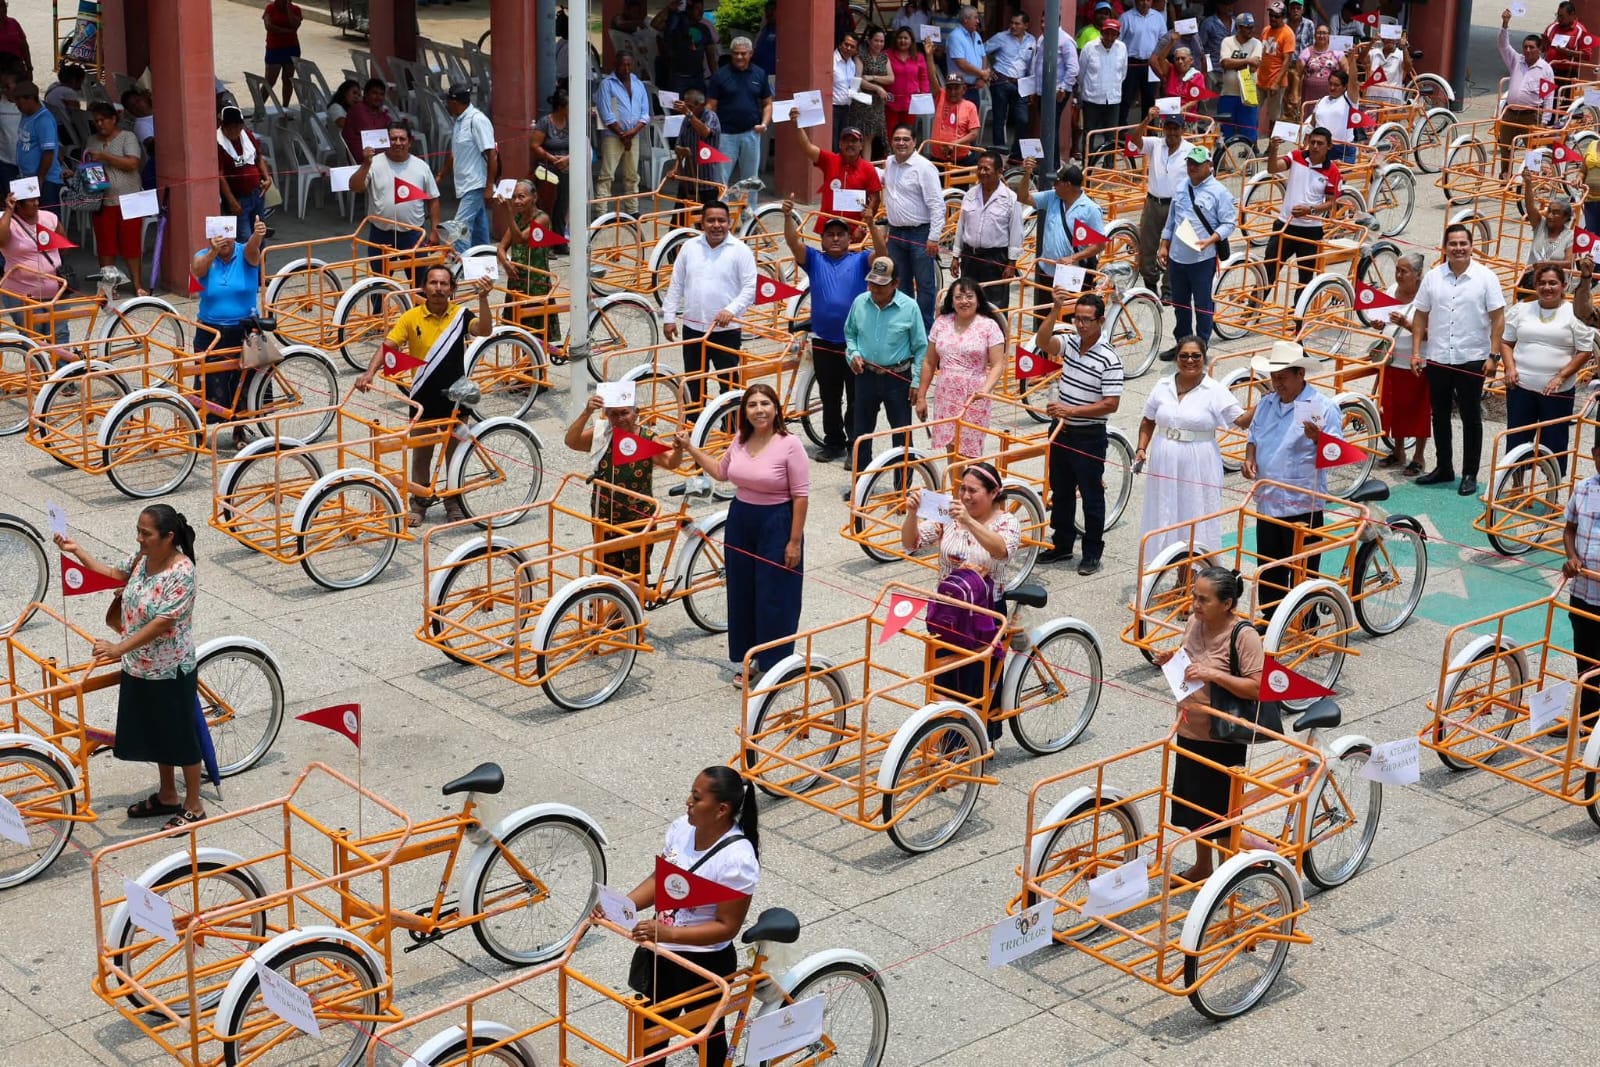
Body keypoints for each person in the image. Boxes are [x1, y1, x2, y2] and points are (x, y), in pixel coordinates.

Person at [54, 506, 206, 832]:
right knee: (158, 734)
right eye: (138, 531)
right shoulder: (142, 559)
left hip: (170, 670)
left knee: (180, 737)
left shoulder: (182, 572)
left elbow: (163, 623)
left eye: (146, 533)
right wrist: (76, 550)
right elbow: (110, 574)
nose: (139, 538)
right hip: (139, 666)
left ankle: (194, 804)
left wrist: (117, 648)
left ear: (168, 537)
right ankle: (168, 794)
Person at [615, 767, 759, 1067]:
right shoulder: (681, 828)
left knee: (706, 1039)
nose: (687, 803)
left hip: (703, 964)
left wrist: (669, 934)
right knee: (650, 1036)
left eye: (696, 798)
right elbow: (661, 881)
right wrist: (623, 904)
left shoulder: (738, 860)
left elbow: (726, 926)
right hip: (662, 955)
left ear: (721, 809)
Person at [677, 385, 808, 686]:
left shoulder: (790, 444)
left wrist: (794, 541)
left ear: (776, 408)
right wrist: (690, 449)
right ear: (744, 411)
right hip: (741, 520)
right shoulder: (740, 439)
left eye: (765, 403)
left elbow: (801, 496)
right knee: (742, 592)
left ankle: (776, 664)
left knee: (775, 596)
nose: (759, 410)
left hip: (777, 522)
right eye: (752, 405)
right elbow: (721, 473)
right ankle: (750, 658)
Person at [356, 266, 495, 525]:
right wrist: (369, 372)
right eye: (433, 283)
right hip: (423, 399)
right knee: (422, 455)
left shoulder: (461, 315)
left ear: (452, 289)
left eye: (444, 284)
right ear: (424, 287)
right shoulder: (410, 317)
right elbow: (389, 346)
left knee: (456, 453)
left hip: (456, 399)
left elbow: (484, 330)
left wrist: (484, 298)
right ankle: (418, 506)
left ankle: (454, 502)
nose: (438, 288)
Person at [1151, 566, 1264, 883]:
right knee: (1194, 808)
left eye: (1204, 599)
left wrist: (1214, 675)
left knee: (1223, 816)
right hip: (1190, 728)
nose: (1195, 605)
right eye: (1194, 597)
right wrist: (1169, 659)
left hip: (1222, 737)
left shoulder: (1244, 636)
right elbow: (1189, 661)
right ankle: (1203, 866)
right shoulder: (1194, 623)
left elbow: (1256, 687)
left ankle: (1225, 877)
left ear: (1227, 603)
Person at [900, 462, 1021, 717]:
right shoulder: (949, 516)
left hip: (985, 612)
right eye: (962, 489)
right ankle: (946, 735)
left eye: (973, 491)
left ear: (993, 492)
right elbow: (911, 542)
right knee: (942, 676)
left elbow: (1001, 550)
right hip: (948, 611)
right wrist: (911, 514)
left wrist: (968, 520)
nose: (965, 496)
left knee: (976, 679)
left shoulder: (1006, 522)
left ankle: (978, 741)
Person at [1242, 340, 1344, 617]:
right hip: (1268, 502)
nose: (1277, 384)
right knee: (1269, 565)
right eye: (1274, 378)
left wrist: (1319, 439)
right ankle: (1271, 618)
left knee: (1303, 569)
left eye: (1283, 378)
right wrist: (1249, 458)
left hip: (1302, 504)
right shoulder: (1265, 404)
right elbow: (1253, 438)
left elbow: (1337, 454)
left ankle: (1305, 620)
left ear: (1301, 374)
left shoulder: (1323, 407)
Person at [1411, 223, 1508, 497]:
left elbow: (1498, 318)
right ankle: (1444, 468)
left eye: (1463, 243)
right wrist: (1417, 351)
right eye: (1453, 244)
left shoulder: (1486, 277)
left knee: (1471, 417)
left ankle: (1469, 473)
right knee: (1439, 415)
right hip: (1439, 357)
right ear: (1445, 247)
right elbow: (1420, 315)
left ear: (1471, 245)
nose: (1458, 248)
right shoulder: (1432, 277)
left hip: (1472, 358)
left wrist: (1493, 355)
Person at [1034, 290, 1124, 575]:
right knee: (1060, 490)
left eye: (1087, 320)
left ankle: (1092, 552)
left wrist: (1070, 411)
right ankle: (1061, 545)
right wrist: (1056, 309)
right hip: (1061, 430)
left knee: (1091, 494)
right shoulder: (1071, 343)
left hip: (1088, 435)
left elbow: (1111, 404)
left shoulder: (1110, 358)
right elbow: (1042, 341)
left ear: (1101, 321)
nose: (1081, 325)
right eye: (1077, 319)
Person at [783, 202, 879, 462]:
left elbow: (883, 256)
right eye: (830, 235)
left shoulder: (860, 259)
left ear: (849, 238)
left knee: (857, 398)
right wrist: (786, 216)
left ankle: (854, 448)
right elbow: (793, 243)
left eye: (840, 234)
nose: (835, 238)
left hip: (855, 343)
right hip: (824, 341)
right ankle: (833, 443)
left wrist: (871, 224)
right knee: (830, 397)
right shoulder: (815, 259)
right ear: (822, 239)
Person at [1136, 336, 1248, 555]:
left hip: (1199, 463)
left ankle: (1193, 571)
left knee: (1195, 513)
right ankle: (1163, 566)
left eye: (1196, 356)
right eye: (1184, 355)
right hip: (1164, 460)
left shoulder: (1214, 390)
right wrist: (1141, 448)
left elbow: (1241, 421)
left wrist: (1269, 400)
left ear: (1204, 358)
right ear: (1176, 358)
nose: (1190, 360)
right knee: (1164, 510)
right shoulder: (1163, 385)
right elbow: (1148, 420)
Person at [564, 391, 683, 576]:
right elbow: (572, 441)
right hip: (604, 516)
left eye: (624, 413)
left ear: (636, 413)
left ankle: (634, 605)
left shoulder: (647, 437)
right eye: (613, 414)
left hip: (638, 519)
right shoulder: (602, 435)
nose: (620, 419)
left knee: (636, 577)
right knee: (608, 573)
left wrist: (678, 449)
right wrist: (586, 412)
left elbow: (670, 462)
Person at [662, 200, 758, 409]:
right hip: (693, 328)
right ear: (702, 223)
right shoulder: (689, 247)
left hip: (727, 330)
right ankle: (694, 428)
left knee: (729, 385)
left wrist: (730, 311)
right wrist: (669, 318)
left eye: (721, 220)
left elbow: (750, 288)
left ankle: (731, 429)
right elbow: (676, 283)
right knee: (694, 385)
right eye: (711, 220)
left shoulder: (740, 250)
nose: (716, 225)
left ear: (729, 222)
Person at [1499, 262, 1594, 473]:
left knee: (1555, 443)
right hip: (1521, 388)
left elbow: (1584, 351)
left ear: (1563, 286)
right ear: (1535, 285)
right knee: (1516, 440)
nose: (1547, 288)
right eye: (1542, 283)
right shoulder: (1521, 309)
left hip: (1557, 392)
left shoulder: (1575, 313)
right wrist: (1509, 368)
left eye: (1553, 283)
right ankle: (1515, 487)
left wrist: (1561, 376)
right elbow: (1506, 342)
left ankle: (1552, 494)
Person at [845, 256, 928, 478]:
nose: (875, 289)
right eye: (872, 283)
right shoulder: (860, 302)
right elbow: (850, 334)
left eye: (882, 284)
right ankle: (860, 486)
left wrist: (917, 382)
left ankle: (901, 491)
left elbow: (921, 347)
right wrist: (853, 354)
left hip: (898, 378)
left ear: (895, 283)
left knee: (902, 436)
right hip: (865, 376)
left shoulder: (910, 308)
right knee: (861, 434)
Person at [191, 218, 267, 450]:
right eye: (217, 235)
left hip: (243, 328)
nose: (223, 240)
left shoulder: (246, 252)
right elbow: (197, 270)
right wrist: (213, 251)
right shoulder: (202, 255)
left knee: (242, 382)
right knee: (206, 381)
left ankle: (240, 430)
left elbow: (253, 249)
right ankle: (201, 429)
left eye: (227, 234)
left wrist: (257, 234)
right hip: (210, 329)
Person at [350, 121, 442, 303]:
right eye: (393, 138)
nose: (398, 142)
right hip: (381, 234)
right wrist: (365, 164)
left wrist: (435, 230)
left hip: (414, 234)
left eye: (402, 138)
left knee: (420, 282)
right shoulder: (373, 163)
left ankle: (422, 319)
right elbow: (355, 187)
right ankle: (377, 320)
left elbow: (433, 199)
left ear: (410, 142)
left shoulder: (421, 166)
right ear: (386, 140)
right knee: (379, 282)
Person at [918, 278, 1007, 457]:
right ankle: (955, 486)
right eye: (958, 297)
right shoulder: (942, 323)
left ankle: (970, 485)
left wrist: (985, 390)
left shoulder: (989, 326)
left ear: (978, 299)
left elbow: (998, 364)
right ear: (951, 300)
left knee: (970, 450)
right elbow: (929, 361)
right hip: (946, 394)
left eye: (969, 297)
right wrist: (921, 396)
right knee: (950, 448)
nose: (964, 301)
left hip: (973, 396)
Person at [1159, 145, 1237, 347]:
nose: (1192, 167)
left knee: (1202, 305)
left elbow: (1229, 223)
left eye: (1197, 164)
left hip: (1202, 259)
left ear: (1209, 166)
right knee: (1180, 305)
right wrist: (1164, 244)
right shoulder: (1181, 186)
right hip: (1177, 257)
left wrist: (1211, 240)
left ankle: (1201, 345)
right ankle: (1183, 344)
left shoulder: (1220, 192)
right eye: (1190, 163)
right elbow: (1172, 218)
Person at [1018, 160, 1104, 323]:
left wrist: (1073, 258)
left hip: (1072, 275)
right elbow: (1023, 197)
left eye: (1057, 182)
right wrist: (1027, 174)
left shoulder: (1090, 209)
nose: (1054, 185)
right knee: (1044, 319)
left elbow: (1099, 245)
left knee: (1069, 322)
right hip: (1047, 272)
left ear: (1067, 185)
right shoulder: (1052, 197)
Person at [77, 102, 147, 296]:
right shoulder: (92, 140)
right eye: (96, 121)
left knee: (131, 245)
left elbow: (133, 163)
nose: (99, 124)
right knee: (105, 245)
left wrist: (105, 157)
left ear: (113, 119)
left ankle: (137, 283)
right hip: (102, 201)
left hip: (129, 200)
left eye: (103, 120)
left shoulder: (127, 137)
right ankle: (108, 286)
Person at [1262, 127, 1341, 296]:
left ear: (1329, 146)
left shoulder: (1332, 171)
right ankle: (1251, 312)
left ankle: (1299, 319)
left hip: (1310, 231)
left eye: (1320, 143)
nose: (1315, 146)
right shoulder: (1296, 156)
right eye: (1312, 142)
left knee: (1305, 279)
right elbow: (1273, 168)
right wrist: (1274, 149)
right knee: (1267, 271)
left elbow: (1331, 203)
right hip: (1284, 225)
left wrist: (1310, 210)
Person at [880, 122, 945, 329]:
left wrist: (933, 237)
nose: (901, 143)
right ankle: (905, 326)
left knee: (925, 285)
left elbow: (937, 205)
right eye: (897, 139)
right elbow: (876, 177)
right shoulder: (889, 163)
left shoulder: (925, 168)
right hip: (896, 233)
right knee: (900, 282)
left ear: (915, 142)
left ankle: (926, 329)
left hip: (921, 234)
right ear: (891, 142)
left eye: (906, 139)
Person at [1376, 252, 1431, 474]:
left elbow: (1430, 334)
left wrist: (1407, 324)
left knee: (1419, 411)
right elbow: (1381, 319)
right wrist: (1378, 323)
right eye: (1397, 269)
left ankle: (1419, 457)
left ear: (1417, 275)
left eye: (1404, 271)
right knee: (1394, 409)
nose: (1398, 275)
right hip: (1392, 360)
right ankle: (1398, 451)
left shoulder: (1426, 298)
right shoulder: (1391, 290)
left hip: (1416, 363)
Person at [1137, 109, 1193, 323]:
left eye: (1175, 128)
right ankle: (1150, 285)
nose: (1171, 132)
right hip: (1153, 202)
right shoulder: (1155, 144)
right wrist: (1147, 118)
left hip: (1177, 205)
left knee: (1174, 248)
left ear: (1182, 129)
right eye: (1168, 127)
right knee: (1147, 246)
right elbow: (1134, 140)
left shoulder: (1190, 150)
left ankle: (1169, 288)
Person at [951, 150, 1023, 310]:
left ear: (999, 172)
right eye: (980, 168)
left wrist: (1011, 263)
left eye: (987, 169)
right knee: (968, 301)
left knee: (995, 306)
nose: (982, 172)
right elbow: (961, 227)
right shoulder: (970, 194)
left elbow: (1016, 232)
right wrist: (956, 256)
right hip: (970, 256)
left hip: (995, 259)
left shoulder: (1010, 198)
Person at [0, 190, 71, 351]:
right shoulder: (6, 221)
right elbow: (1, 240)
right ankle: (38, 375)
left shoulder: (49, 217)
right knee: (33, 338)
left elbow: (63, 245)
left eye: (37, 199)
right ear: (18, 204)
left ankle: (61, 375)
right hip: (21, 294)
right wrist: (8, 211)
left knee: (60, 334)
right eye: (31, 201)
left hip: (57, 292)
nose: (36, 203)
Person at [706, 36, 773, 203]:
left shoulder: (759, 73)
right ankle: (722, 220)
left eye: (743, 54)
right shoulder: (720, 76)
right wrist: (708, 131)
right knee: (721, 181)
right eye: (735, 53)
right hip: (725, 136)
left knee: (751, 180)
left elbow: (767, 104)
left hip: (751, 133)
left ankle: (749, 218)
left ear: (751, 54)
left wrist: (764, 124)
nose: (739, 57)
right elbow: (710, 107)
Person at [1563, 430, 1600, 730]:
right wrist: (1571, 557)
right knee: (1584, 663)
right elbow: (1569, 529)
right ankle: (1587, 722)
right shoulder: (1584, 489)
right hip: (1582, 594)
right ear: (1593, 453)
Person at [497, 178, 563, 345]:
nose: (517, 201)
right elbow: (501, 248)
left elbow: (519, 239)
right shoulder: (518, 218)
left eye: (521, 197)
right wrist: (506, 263)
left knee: (536, 337)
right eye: (514, 197)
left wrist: (508, 213)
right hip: (517, 283)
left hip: (536, 285)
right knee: (518, 335)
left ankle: (536, 369)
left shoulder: (542, 218)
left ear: (534, 198)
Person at [791, 121, 881, 236]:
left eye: (854, 141)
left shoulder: (868, 168)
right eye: (846, 141)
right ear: (840, 144)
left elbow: (875, 199)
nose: (850, 144)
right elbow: (806, 147)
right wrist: (797, 124)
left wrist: (862, 225)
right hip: (829, 228)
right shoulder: (829, 160)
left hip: (855, 231)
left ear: (861, 145)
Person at [1498, 10, 1557, 179]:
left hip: (1531, 115)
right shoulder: (1517, 60)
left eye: (1532, 47)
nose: (1528, 50)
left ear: (1539, 50)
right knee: (1505, 147)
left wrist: (1545, 121)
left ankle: (1534, 180)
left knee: (1532, 151)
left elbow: (1548, 97)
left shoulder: (1545, 69)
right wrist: (1505, 24)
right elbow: (1503, 45)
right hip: (1510, 113)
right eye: (1525, 47)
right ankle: (1505, 177)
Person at [440, 85, 498, 252]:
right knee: (479, 231)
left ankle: (461, 268)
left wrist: (489, 186)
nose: (447, 105)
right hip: (463, 183)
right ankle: (485, 264)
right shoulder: (459, 121)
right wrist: (442, 174)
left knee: (459, 229)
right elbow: (454, 153)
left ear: (454, 102)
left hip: (475, 183)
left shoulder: (477, 120)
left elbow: (491, 154)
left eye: (448, 102)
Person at [596, 52, 650, 215]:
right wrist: (622, 134)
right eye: (622, 65)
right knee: (607, 175)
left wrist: (632, 133)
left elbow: (645, 113)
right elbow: (606, 114)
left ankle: (633, 211)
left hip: (633, 136)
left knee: (632, 175)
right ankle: (601, 212)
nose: (626, 68)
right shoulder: (607, 84)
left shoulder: (638, 83)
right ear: (615, 64)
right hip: (613, 136)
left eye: (628, 65)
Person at [985, 12, 1038, 159]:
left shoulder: (1031, 41)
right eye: (1012, 23)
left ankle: (1016, 155)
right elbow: (982, 50)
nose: (1013, 26)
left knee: (1023, 119)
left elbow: (1032, 65)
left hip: (1020, 83)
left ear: (1026, 26)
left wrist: (1031, 86)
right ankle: (998, 155)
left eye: (1017, 24)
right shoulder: (1001, 37)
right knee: (999, 118)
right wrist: (988, 70)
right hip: (1001, 81)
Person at [215, 106, 272, 237]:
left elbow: (258, 158)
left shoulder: (247, 136)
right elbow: (220, 176)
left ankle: (261, 258)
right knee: (245, 237)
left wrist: (267, 179)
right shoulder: (218, 144)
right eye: (231, 128)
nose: (235, 131)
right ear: (223, 126)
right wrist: (232, 202)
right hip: (238, 198)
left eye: (238, 127)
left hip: (257, 193)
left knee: (259, 234)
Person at [1078, 17, 1127, 167]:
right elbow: (1081, 72)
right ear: (1101, 32)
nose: (1110, 38)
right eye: (1107, 34)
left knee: (1111, 136)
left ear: (1118, 35)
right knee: (1089, 134)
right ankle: (1087, 165)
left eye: (1114, 34)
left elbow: (1123, 74)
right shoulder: (1089, 47)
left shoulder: (1122, 48)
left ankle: (1109, 165)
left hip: (1113, 99)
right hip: (1092, 98)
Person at [924, 42, 983, 164]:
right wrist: (929, 56)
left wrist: (954, 143)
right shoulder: (941, 96)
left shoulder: (969, 106)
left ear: (964, 89)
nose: (952, 91)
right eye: (949, 88)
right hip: (937, 158)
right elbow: (932, 77)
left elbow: (974, 134)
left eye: (956, 88)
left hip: (961, 159)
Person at [12, 82, 63, 211]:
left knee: (47, 221)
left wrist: (40, 179)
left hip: (45, 180)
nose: (17, 105)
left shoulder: (43, 120)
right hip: (27, 177)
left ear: (30, 99)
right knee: (27, 218)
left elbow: (48, 153)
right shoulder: (26, 115)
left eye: (19, 101)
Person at [530, 88, 572, 236]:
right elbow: (534, 145)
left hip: (566, 169)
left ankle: (559, 239)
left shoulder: (571, 122)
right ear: (561, 107)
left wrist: (567, 158)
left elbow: (580, 145)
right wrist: (551, 158)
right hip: (547, 170)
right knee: (547, 205)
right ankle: (544, 241)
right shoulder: (545, 122)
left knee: (562, 205)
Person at [1216, 12, 1263, 145]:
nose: (1251, 30)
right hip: (1228, 94)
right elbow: (1225, 63)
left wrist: (1235, 63)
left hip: (1248, 94)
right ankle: (1223, 163)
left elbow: (1254, 67)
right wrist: (1247, 60)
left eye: (1252, 27)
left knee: (1249, 131)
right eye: (1247, 27)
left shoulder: (1256, 43)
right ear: (1238, 27)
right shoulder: (1227, 41)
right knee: (1225, 132)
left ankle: (1250, 162)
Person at [1520, 176, 1575, 288]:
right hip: (1532, 281)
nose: (1550, 216)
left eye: (1555, 213)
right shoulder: (1540, 225)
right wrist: (1528, 182)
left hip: (1555, 284)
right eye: (1549, 211)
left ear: (1565, 217)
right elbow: (1530, 207)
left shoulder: (1570, 236)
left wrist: (1546, 264)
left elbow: (1569, 263)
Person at [847, 28, 893, 158]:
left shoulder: (884, 58)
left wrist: (873, 77)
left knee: (870, 137)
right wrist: (877, 88)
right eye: (876, 41)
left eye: (882, 41)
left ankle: (866, 168)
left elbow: (891, 78)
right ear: (869, 40)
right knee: (860, 135)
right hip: (862, 101)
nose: (879, 44)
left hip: (877, 103)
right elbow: (859, 79)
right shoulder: (860, 57)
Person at [670, 88, 722, 204]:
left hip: (707, 181)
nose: (687, 109)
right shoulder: (686, 119)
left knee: (705, 219)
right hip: (688, 180)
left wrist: (689, 114)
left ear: (701, 105)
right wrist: (675, 169)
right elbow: (680, 147)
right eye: (686, 106)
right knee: (678, 220)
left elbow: (705, 132)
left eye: (691, 107)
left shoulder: (710, 116)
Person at [1119, 0, 1165, 126]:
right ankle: (1121, 128)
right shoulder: (1126, 17)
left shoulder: (1158, 17)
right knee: (1126, 97)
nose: (1144, 3)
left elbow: (1163, 40)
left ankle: (1148, 128)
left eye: (1148, 0)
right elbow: (1118, 41)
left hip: (1150, 64)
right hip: (1131, 63)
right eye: (1141, 0)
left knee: (1149, 99)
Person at [1291, 24, 1350, 117]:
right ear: (1314, 35)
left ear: (1329, 36)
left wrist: (1345, 89)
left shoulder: (1337, 52)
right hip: (1310, 94)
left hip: (1332, 92)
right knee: (1310, 119)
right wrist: (1294, 94)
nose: (1321, 36)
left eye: (1324, 33)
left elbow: (1346, 70)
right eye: (1319, 33)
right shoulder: (1306, 52)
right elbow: (1297, 74)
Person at [1257, 2, 1298, 132]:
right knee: (1253, 112)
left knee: (1274, 117)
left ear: (1283, 17)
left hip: (1276, 81)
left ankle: (1272, 146)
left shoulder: (1288, 34)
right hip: (1260, 79)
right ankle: (1253, 144)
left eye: (1277, 16)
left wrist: (1276, 82)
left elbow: (1287, 61)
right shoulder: (1265, 30)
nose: (1273, 19)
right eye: (1271, 15)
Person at [886, 27, 930, 137]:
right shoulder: (887, 55)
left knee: (907, 133)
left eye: (906, 38)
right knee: (890, 133)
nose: (902, 41)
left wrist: (923, 94)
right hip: (890, 102)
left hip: (911, 103)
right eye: (900, 38)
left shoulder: (918, 57)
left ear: (911, 41)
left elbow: (923, 77)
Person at [1310, 69, 1358, 163]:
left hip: (1342, 150)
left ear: (1345, 87)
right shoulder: (1321, 101)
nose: (1332, 88)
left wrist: (1352, 59)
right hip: (1320, 148)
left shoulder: (1350, 100)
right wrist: (1306, 145)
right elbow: (1311, 125)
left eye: (1336, 85)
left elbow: (1353, 81)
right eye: (1330, 84)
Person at [341, 78, 395, 162]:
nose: (378, 97)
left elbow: (390, 128)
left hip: (376, 154)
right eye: (375, 93)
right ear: (365, 95)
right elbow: (374, 136)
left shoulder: (377, 111)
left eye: (381, 94)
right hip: (365, 158)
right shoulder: (359, 109)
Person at [262, 0, 304, 108]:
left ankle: (285, 108)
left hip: (291, 48)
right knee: (269, 81)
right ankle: (259, 107)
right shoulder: (270, 8)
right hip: (274, 48)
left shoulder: (295, 9)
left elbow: (295, 24)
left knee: (288, 80)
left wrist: (288, 9)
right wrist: (286, 31)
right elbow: (268, 26)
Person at [1545, 1, 1596, 85]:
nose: (1559, 19)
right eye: (1557, 15)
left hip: (1567, 74)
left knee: (1563, 97)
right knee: (1546, 97)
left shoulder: (1581, 31)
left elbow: (1587, 55)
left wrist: (1568, 52)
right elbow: (1543, 47)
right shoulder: (1552, 27)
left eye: (1562, 16)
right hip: (1548, 70)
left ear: (1572, 15)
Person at [1200, 0, 1235, 108]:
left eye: (1230, 4)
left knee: (1226, 105)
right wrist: (1205, 70)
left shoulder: (1237, 23)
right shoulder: (1209, 23)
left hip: (1231, 69)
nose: (1229, 7)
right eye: (1226, 4)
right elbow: (1201, 47)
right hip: (1213, 70)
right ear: (1219, 5)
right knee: (1208, 105)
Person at [832, 33, 863, 147]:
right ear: (840, 45)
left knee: (843, 142)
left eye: (852, 46)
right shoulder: (831, 60)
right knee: (833, 142)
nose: (848, 48)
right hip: (832, 108)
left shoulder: (852, 64)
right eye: (846, 44)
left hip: (846, 108)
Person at [0, 0, 29, 72]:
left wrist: (29, 69)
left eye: (4, 5)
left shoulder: (13, 22)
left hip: (17, 69)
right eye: (0, 6)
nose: (3, 9)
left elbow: (24, 46)